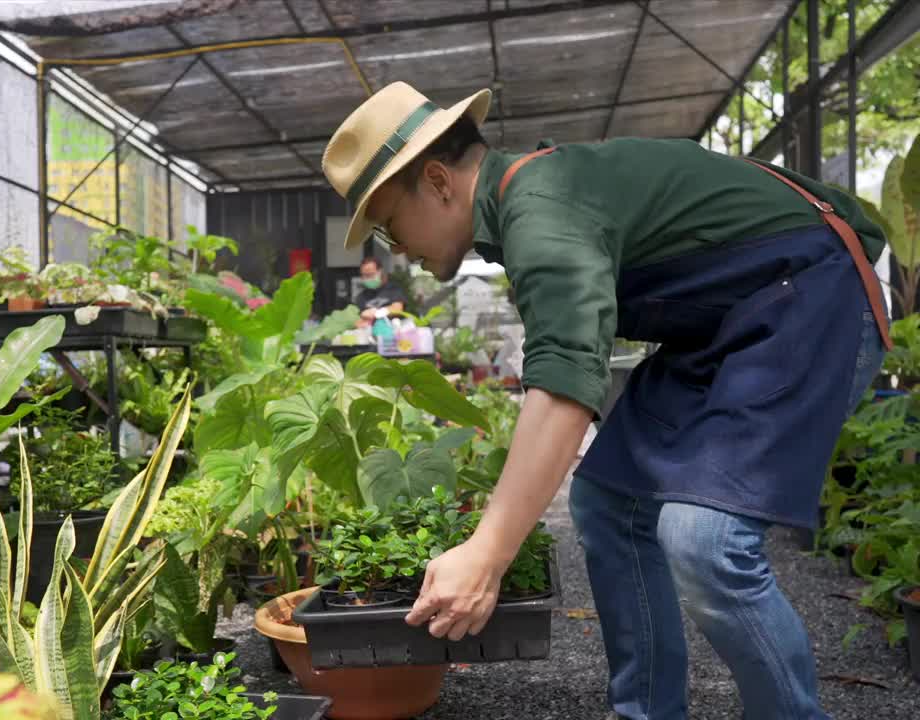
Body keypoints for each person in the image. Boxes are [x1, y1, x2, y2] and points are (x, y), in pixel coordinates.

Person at [319, 81, 889, 719]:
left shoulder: (540, 205)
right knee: (608, 501)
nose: (402, 255)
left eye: (391, 227)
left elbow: (565, 381)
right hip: (723, 326)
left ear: (437, 181)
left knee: (707, 542)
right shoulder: (529, 206)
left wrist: (486, 553)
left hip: (811, 300)